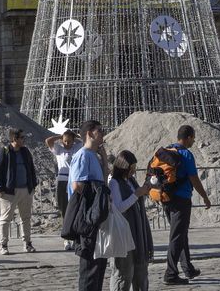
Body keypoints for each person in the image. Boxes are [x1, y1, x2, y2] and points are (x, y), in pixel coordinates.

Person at [161, 125, 211, 286]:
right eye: (193, 137)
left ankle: (187, 268)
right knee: (177, 236)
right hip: (181, 200)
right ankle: (170, 273)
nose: (194, 140)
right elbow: (194, 179)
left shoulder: (167, 150)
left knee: (180, 233)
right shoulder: (186, 154)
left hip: (166, 198)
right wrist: (204, 197)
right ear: (188, 137)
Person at [68, 120, 108, 291]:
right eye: (100, 130)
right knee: (90, 268)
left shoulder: (93, 156)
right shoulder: (83, 155)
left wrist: (105, 159)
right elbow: (77, 185)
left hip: (96, 216)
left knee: (98, 265)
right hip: (87, 218)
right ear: (90, 134)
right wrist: (98, 194)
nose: (103, 133)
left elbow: (103, 181)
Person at [108, 150, 153, 291]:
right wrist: (136, 195)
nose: (133, 172)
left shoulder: (130, 181)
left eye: (134, 168)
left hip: (137, 232)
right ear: (123, 167)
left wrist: (143, 192)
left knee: (140, 272)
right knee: (123, 273)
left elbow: (135, 201)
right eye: (131, 168)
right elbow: (119, 208)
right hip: (123, 234)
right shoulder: (114, 182)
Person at [0, 129, 38, 255]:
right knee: (5, 218)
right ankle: (3, 245)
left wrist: (33, 184)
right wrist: (0, 188)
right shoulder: (5, 151)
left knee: (26, 218)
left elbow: (31, 168)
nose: (24, 140)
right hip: (9, 191)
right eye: (22, 137)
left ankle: (27, 243)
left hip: (26, 190)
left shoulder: (25, 151)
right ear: (15, 139)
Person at [43, 129, 81, 250]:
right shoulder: (59, 149)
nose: (67, 144)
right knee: (64, 209)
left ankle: (75, 237)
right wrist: (60, 136)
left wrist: (76, 136)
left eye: (70, 141)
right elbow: (47, 141)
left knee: (75, 208)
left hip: (74, 180)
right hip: (63, 180)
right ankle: (66, 238)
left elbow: (86, 142)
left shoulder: (77, 147)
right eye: (65, 141)